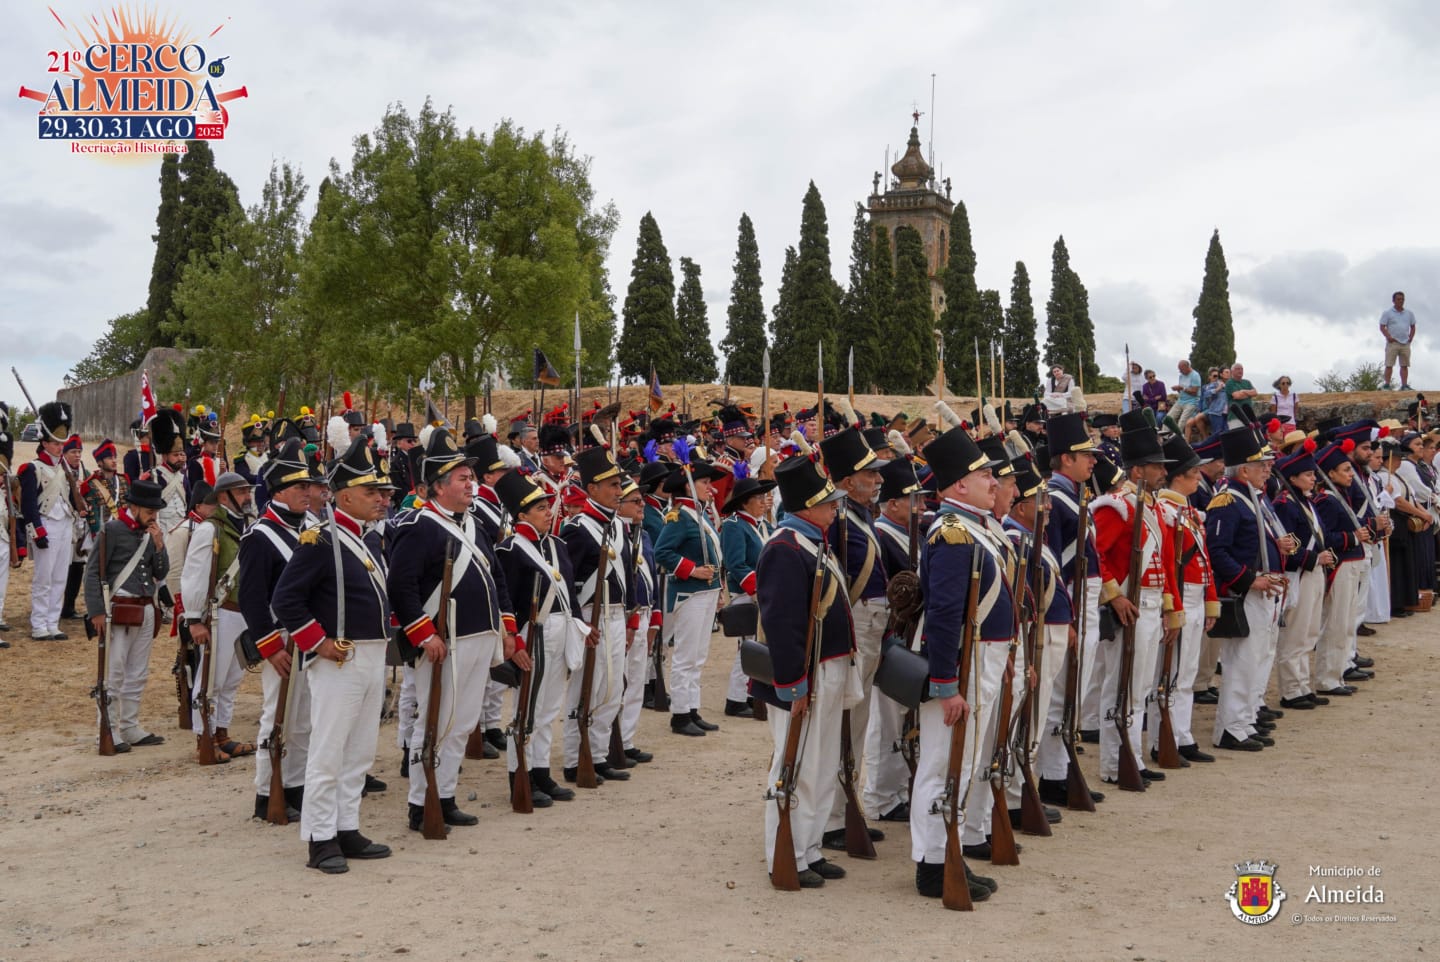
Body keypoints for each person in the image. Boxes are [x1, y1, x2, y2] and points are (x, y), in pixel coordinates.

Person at [388, 428, 525, 832]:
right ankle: (420, 801)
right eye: (463, 478)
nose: (472, 484)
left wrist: (507, 627)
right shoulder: (417, 525)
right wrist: (423, 634)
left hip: (479, 639)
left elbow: (497, 579)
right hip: (443, 642)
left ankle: (444, 796)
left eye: (472, 477)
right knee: (434, 722)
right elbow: (401, 586)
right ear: (438, 486)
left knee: (461, 723)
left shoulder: (474, 525)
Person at [270, 438, 397, 874]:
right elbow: (286, 599)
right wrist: (318, 642)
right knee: (328, 751)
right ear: (344, 496)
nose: (382, 500)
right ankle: (319, 837)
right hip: (339, 658)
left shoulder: (367, 540)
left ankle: (346, 826)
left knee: (359, 751)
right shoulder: (320, 540)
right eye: (371, 493)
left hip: (371, 654)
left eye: (383, 494)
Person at [910, 425, 1007, 903]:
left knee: (965, 764)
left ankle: (948, 851)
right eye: (984, 474)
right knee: (944, 764)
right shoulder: (952, 534)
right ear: (957, 486)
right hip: (961, 664)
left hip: (982, 659)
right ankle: (932, 863)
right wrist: (946, 684)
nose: (994, 481)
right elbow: (945, 614)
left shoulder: (975, 530)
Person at [753, 454, 852, 890]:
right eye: (828, 502)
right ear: (806, 506)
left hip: (827, 670)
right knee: (796, 766)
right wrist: (794, 686)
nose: (834, 508)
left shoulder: (811, 541)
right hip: (804, 676)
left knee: (822, 765)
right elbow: (781, 623)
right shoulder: (784, 548)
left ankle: (810, 849)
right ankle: (787, 853)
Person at [239, 435, 323, 821]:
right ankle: (264, 791)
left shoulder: (313, 527)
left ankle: (295, 786)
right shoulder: (260, 536)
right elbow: (252, 598)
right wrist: (271, 647)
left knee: (304, 718)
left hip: (312, 637)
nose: (308, 492)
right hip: (284, 641)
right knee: (277, 716)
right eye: (300, 486)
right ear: (279, 490)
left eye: (309, 485)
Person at [1090, 410, 1176, 785]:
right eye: (1157, 466)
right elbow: (1096, 556)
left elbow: (1165, 562)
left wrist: (1170, 610)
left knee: (1139, 686)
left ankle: (1134, 758)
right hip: (1130, 604)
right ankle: (1114, 763)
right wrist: (1114, 597)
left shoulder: (1154, 507)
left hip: (1152, 603)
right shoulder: (1117, 506)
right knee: (1120, 685)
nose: (1163, 473)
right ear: (1138, 471)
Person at [1205, 428, 1287, 751]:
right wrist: (1249, 579)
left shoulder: (1250, 497)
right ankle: (1230, 728)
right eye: (1260, 465)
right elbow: (1218, 551)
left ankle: (1246, 719)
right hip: (1246, 591)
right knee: (1241, 661)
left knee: (1258, 658)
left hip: (1261, 587)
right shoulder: (1227, 501)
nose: (1267, 469)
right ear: (1243, 470)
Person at [559, 445, 638, 783]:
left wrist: (632, 617)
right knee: (584, 691)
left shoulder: (619, 526)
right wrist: (578, 623)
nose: (619, 491)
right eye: (613, 486)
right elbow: (568, 583)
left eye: (620, 485)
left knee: (611, 690)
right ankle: (574, 759)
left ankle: (599, 754)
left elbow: (629, 575)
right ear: (592, 489)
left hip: (617, 615)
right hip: (591, 616)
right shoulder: (576, 529)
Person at [1040, 413, 1106, 806]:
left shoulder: (1073, 496)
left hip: (1086, 599)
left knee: (1074, 692)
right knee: (1061, 693)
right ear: (1065, 458)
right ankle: (1051, 775)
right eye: (1086, 455)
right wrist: (1063, 616)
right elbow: (1053, 566)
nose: (1093, 461)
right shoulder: (1055, 500)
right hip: (1070, 601)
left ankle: (1061, 768)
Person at [83, 479, 169, 752]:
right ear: (134, 506)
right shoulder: (111, 530)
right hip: (119, 609)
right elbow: (93, 574)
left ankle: (130, 726)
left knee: (138, 672)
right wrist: (96, 611)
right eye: (149, 510)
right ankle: (106, 729)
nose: (153, 515)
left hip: (145, 608)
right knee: (114, 672)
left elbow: (161, 572)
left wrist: (159, 545)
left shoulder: (151, 533)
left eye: (155, 510)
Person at [182, 472, 257, 763]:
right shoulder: (209, 530)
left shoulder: (248, 527)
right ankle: (205, 738)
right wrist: (194, 619)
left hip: (243, 613)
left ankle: (222, 734)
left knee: (232, 680)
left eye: (247, 491)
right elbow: (194, 576)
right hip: (219, 614)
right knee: (210, 680)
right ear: (224, 497)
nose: (247, 496)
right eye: (241, 492)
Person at [1152, 434, 1218, 764]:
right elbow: (1167, 564)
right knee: (1173, 673)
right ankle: (1165, 737)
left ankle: (1182, 733)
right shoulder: (1165, 511)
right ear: (1180, 476)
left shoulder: (1186, 511)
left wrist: (1210, 602)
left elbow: (1203, 560)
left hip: (1194, 594)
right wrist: (1174, 607)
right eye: (1194, 473)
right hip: (1180, 596)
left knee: (1187, 671)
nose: (1198, 478)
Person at [654, 453, 727, 737]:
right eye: (705, 482)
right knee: (686, 655)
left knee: (698, 655)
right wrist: (693, 570)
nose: (712, 488)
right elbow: (662, 552)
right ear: (687, 486)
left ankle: (692, 708)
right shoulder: (679, 516)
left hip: (706, 593)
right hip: (689, 592)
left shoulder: (699, 514)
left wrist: (716, 589)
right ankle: (680, 714)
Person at [1270, 443, 1334, 711]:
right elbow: (1288, 544)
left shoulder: (1303, 501)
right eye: (1307, 475)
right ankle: (1291, 689)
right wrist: (1312, 558)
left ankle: (1303, 685)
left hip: (1314, 570)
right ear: (1293, 478)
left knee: (1308, 633)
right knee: (1295, 635)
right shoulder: (1286, 504)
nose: (1313, 478)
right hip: (1300, 572)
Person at [17, 401, 80, 640]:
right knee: (43, 579)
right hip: (46, 526)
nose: (59, 447)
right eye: (56, 443)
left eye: (62, 443)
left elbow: (70, 498)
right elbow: (29, 506)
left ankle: (53, 623)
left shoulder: (65, 469)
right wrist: (37, 532)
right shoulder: (31, 469)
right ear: (44, 443)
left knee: (60, 577)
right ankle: (39, 625)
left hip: (64, 525)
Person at [719, 475, 776, 719]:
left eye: (765, 497)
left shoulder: (763, 525)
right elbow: (736, 564)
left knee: (760, 644)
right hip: (746, 594)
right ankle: (736, 699)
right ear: (745, 502)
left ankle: (752, 695)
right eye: (759, 498)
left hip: (764, 591)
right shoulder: (734, 526)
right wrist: (757, 589)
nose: (764, 501)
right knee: (748, 646)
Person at [1380, 291, 1416, 391]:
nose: (1401, 301)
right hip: (1393, 342)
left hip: (1405, 343)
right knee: (1389, 364)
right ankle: (1386, 385)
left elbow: (1413, 326)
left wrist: (1411, 337)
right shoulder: (1387, 313)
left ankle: (1404, 385)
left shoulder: (1409, 313)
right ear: (1393, 301)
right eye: (1398, 299)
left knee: (1404, 365)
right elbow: (1382, 326)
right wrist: (1388, 337)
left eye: (1402, 299)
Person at [1171, 360, 1203, 436]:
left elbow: (1194, 392)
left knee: (1182, 422)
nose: (1180, 371)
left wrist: (1182, 388)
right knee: (1168, 418)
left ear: (1187, 367)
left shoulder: (1195, 375)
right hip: (1180, 401)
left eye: (1181, 369)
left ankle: (1175, 438)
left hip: (1191, 402)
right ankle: (1164, 437)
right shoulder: (1181, 375)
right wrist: (1178, 389)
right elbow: (1181, 390)